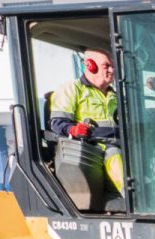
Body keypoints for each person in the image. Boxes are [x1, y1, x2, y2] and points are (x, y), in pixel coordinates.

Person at [47, 47, 122, 194]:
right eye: (107, 66)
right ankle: (133, 199)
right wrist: (73, 130)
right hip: (94, 147)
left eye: (113, 66)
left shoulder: (115, 95)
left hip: (121, 142)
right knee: (115, 154)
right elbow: (57, 122)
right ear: (90, 65)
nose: (112, 70)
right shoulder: (72, 89)